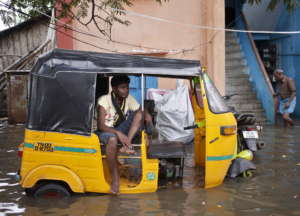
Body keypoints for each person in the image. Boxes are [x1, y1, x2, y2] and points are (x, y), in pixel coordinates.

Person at [97, 75, 152, 194]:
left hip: (120, 129)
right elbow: (101, 126)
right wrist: (118, 133)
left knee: (139, 114)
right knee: (112, 139)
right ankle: (115, 179)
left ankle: (127, 144)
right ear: (114, 88)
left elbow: (139, 109)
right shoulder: (104, 100)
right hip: (105, 131)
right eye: (122, 88)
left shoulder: (129, 98)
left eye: (127, 88)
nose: (126, 90)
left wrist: (147, 114)